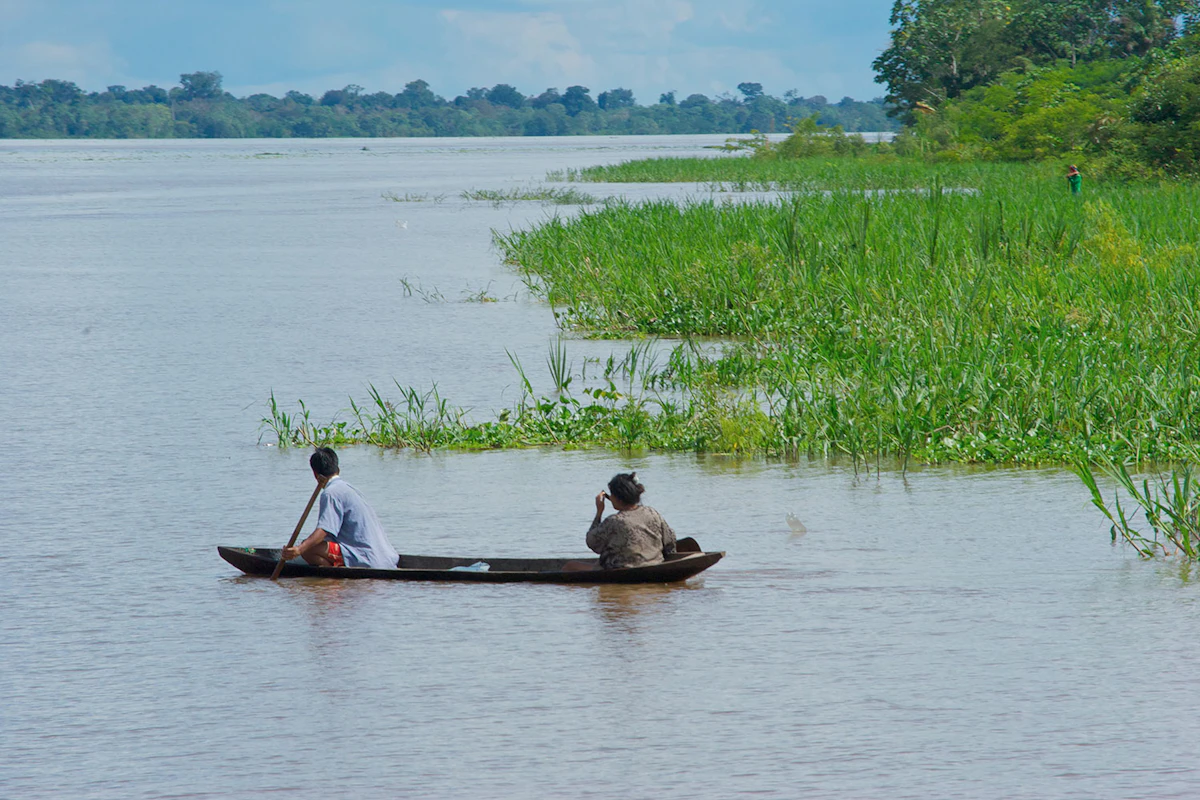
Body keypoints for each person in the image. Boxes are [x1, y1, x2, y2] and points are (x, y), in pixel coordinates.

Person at [282, 447, 400, 570]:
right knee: (311, 544)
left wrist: (299, 550)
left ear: (315, 475)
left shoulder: (331, 493)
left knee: (308, 549)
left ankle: (332, 578)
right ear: (338, 470)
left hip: (366, 558)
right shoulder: (349, 489)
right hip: (385, 558)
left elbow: (324, 530)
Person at [580, 472, 677, 570]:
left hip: (622, 570)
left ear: (619, 499)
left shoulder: (614, 521)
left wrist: (599, 513)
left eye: (612, 494)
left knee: (573, 566)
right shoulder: (652, 513)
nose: (611, 497)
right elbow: (670, 540)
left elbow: (592, 542)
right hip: (655, 566)